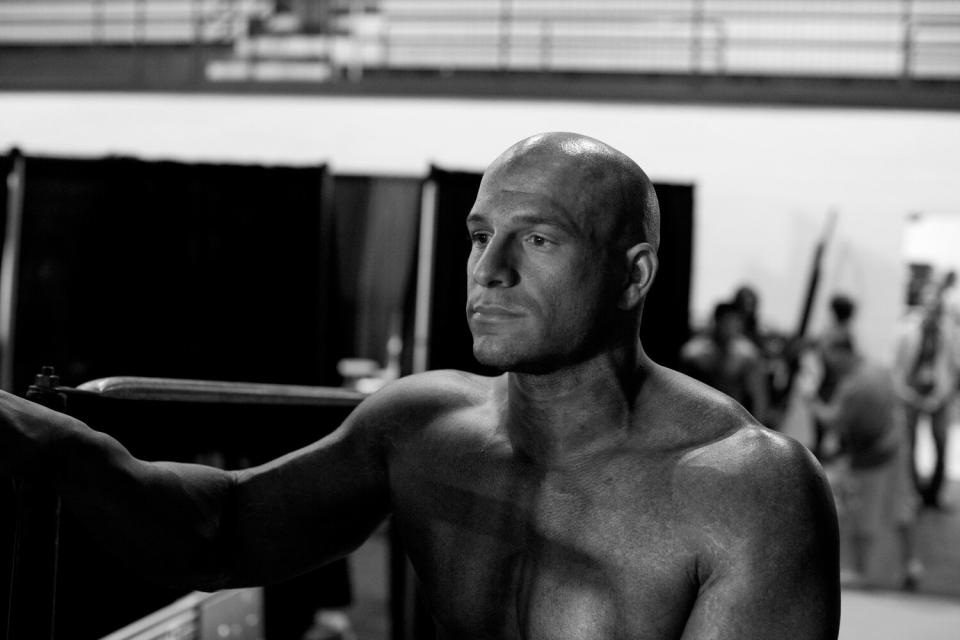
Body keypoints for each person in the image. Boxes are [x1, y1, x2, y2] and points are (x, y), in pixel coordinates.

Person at [0, 133, 839, 639]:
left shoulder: (748, 490)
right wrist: (63, 446)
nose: (490, 271)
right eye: (480, 236)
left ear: (633, 276)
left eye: (539, 239)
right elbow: (221, 532)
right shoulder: (424, 427)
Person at [805, 335, 922, 590]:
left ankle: (861, 571)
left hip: (875, 453)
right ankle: (911, 563)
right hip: (896, 442)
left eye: (828, 356)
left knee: (862, 510)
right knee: (902, 505)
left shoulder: (855, 385)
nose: (827, 362)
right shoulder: (879, 369)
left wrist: (811, 401)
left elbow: (831, 419)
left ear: (840, 353)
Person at [893, 282, 959, 510]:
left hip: (938, 395)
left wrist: (940, 396)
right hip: (911, 392)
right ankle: (915, 493)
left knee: (941, 443)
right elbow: (898, 367)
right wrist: (907, 395)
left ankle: (935, 494)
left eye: (937, 305)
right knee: (908, 446)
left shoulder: (948, 332)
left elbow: (951, 369)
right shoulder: (907, 329)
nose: (934, 309)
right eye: (930, 304)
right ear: (923, 304)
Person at [680, 301, 770, 424]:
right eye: (726, 322)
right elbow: (681, 391)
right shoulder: (694, 352)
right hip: (696, 417)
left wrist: (758, 428)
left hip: (732, 423)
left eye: (735, 322)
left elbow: (758, 397)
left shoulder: (748, 356)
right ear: (717, 321)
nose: (730, 327)